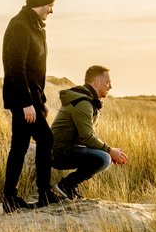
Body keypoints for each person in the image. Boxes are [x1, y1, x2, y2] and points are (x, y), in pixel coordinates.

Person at [0, 0, 58, 211]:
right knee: (46, 139)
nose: (52, 10)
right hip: (21, 99)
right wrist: (26, 103)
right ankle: (43, 192)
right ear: (39, 4)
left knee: (20, 146)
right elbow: (16, 68)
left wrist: (40, 102)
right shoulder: (20, 27)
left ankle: (10, 197)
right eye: (50, 5)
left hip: (31, 99)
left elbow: (35, 70)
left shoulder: (35, 26)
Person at [50, 65, 128, 200]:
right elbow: (87, 137)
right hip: (56, 152)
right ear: (96, 83)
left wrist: (107, 151)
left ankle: (68, 186)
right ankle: (65, 185)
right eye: (107, 82)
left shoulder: (88, 101)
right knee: (104, 158)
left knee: (104, 156)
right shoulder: (83, 103)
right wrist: (109, 151)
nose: (110, 87)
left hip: (65, 149)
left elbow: (86, 136)